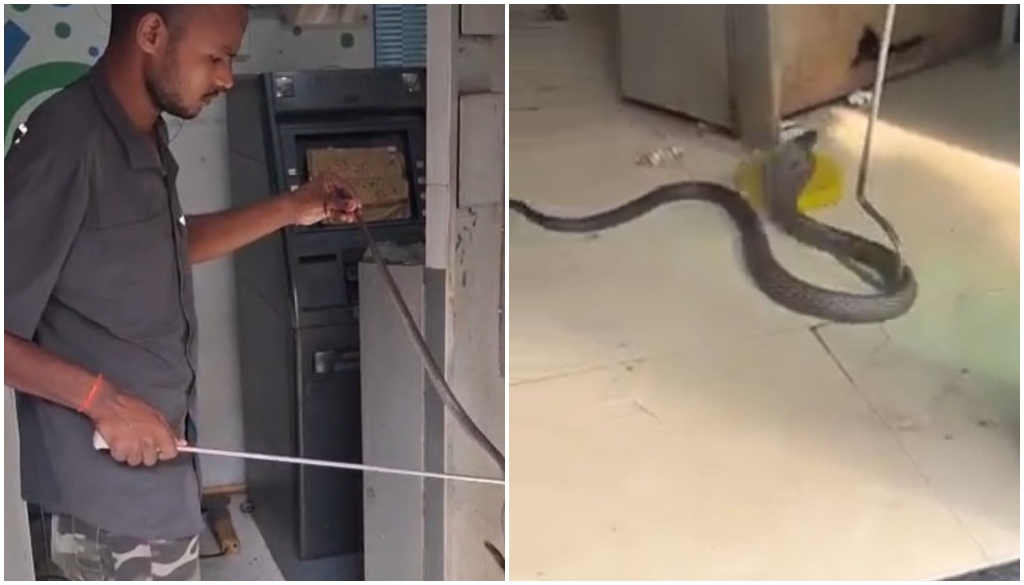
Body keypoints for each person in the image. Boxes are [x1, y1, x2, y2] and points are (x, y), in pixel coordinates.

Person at [4, 5, 360, 581]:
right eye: (216, 57)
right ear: (151, 33)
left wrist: (296, 206)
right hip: (107, 508)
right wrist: (103, 401)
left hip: (160, 484)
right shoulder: (64, 142)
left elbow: (166, 243)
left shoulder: (144, 133)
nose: (225, 78)